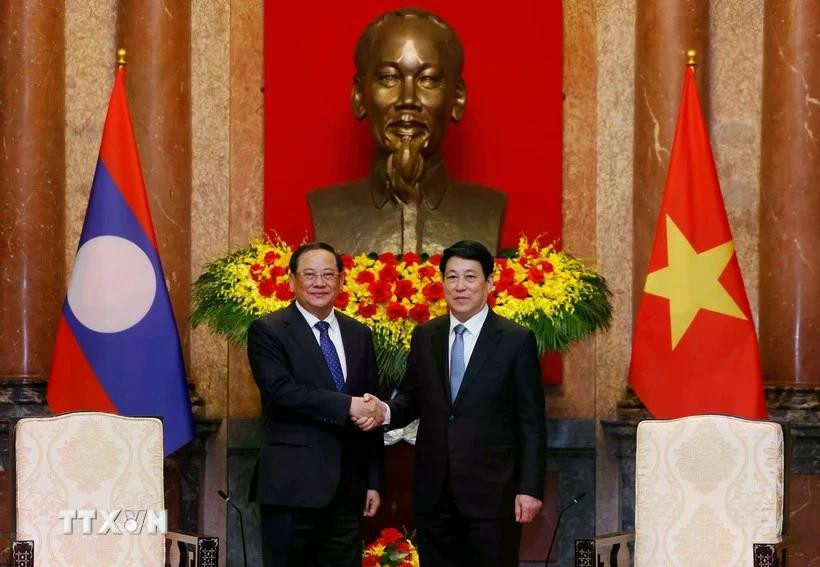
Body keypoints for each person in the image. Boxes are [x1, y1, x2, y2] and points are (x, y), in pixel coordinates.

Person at [356, 240, 546, 567]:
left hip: (493, 495)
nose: (460, 287)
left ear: (489, 282)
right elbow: (412, 397)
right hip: (435, 494)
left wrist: (529, 488)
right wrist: (384, 411)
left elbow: (531, 420)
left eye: (470, 277)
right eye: (452, 277)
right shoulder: (426, 335)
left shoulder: (516, 340)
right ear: (442, 282)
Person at [308, 8, 506, 255]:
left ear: (457, 99)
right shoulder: (327, 209)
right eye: (389, 78)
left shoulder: (487, 209)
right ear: (359, 96)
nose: (408, 99)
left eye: (429, 79)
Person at [247, 242, 385, 567]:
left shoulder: (359, 334)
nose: (319, 283)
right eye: (309, 275)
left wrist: (374, 481)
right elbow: (281, 392)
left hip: (348, 491)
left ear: (340, 281)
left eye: (328, 275)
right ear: (292, 281)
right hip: (292, 488)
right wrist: (348, 406)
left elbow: (370, 406)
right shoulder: (268, 331)